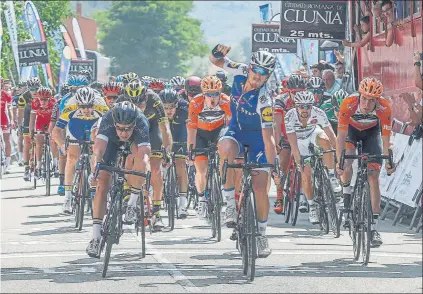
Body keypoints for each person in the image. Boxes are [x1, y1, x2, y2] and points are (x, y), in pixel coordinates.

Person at [209, 45, 280, 258]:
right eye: (256, 71)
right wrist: (216, 51)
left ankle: (261, 234)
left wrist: (272, 165)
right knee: (225, 148)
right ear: (250, 68)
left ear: (268, 76)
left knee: (260, 187)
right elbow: (216, 61)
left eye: (264, 74)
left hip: (258, 139)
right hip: (236, 131)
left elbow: (268, 137)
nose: (258, 76)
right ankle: (229, 203)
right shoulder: (239, 70)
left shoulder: (264, 99)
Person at [336, 77, 396, 248]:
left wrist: (388, 162)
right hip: (351, 131)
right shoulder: (349, 103)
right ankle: (346, 195)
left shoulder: (384, 107)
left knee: (373, 176)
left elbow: (386, 140)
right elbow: (340, 136)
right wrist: (338, 161)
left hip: (372, 133)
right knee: (346, 161)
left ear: (378, 100)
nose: (367, 104)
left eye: (372, 100)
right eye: (364, 98)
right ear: (359, 95)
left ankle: (374, 227)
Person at [86, 101, 151, 257]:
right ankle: (95, 237)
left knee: (139, 161)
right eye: (120, 128)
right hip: (111, 144)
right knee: (102, 183)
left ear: (134, 124)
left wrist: (146, 171)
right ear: (114, 123)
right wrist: (94, 169)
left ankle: (131, 204)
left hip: (134, 144)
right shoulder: (108, 120)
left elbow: (145, 155)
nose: (123, 132)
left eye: (128, 128)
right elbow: (99, 150)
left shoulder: (141, 121)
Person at [285, 91, 341, 224]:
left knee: (326, 141)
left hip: (312, 133)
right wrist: (299, 160)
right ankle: (312, 206)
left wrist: (339, 155)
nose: (305, 109)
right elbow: (293, 143)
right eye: (301, 106)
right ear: (296, 106)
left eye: (308, 106)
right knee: (306, 175)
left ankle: (331, 176)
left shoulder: (318, 112)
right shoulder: (290, 116)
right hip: (299, 141)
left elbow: (332, 135)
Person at [53, 87, 104, 214]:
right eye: (83, 106)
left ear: (94, 102)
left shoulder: (101, 105)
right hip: (76, 126)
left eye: (89, 106)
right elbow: (56, 131)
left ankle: (94, 185)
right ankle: (68, 198)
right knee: (72, 158)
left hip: (94, 126)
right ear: (78, 104)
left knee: (96, 155)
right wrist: (61, 144)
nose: (86, 109)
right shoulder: (71, 105)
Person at [186, 75, 231, 219]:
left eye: (215, 94)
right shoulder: (195, 103)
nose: (212, 98)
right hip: (201, 134)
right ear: (203, 93)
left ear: (220, 92)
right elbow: (192, 129)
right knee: (201, 169)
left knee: (225, 152)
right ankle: (201, 199)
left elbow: (231, 125)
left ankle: (224, 191)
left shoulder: (226, 101)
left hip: (219, 131)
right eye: (209, 94)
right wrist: (190, 150)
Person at [273, 74, 307, 214]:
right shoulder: (281, 100)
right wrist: (277, 142)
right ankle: (279, 196)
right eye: (294, 93)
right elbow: (276, 123)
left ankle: (306, 194)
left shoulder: (309, 99)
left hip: (303, 135)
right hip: (286, 136)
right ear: (288, 91)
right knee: (283, 164)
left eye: (301, 92)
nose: (298, 96)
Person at [160, 88, 190, 218]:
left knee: (181, 165)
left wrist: (190, 146)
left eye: (172, 106)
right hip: (164, 134)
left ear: (177, 104)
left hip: (180, 134)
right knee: (159, 164)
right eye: (165, 107)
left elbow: (191, 128)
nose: (168, 110)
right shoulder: (157, 110)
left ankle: (182, 205)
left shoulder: (185, 108)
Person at [29, 87, 56, 178]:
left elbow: (57, 118)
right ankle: (38, 166)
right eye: (41, 99)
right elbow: (32, 118)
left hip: (51, 122)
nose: (43, 102)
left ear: (50, 98)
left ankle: (55, 164)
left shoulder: (54, 103)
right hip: (40, 122)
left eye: (45, 99)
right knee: (39, 143)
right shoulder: (35, 103)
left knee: (53, 140)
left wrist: (54, 130)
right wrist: (31, 131)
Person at [18, 77, 41, 181]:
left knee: (40, 143)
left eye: (36, 88)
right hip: (27, 119)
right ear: (28, 88)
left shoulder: (43, 93)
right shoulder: (23, 97)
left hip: (40, 117)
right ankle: (27, 168)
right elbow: (21, 114)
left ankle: (39, 164)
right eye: (32, 89)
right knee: (27, 143)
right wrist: (20, 126)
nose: (34, 91)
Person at [0, 77, 14, 174]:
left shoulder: (5, 94)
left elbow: (9, 108)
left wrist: (12, 120)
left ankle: (8, 164)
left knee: (7, 140)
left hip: (4, 119)